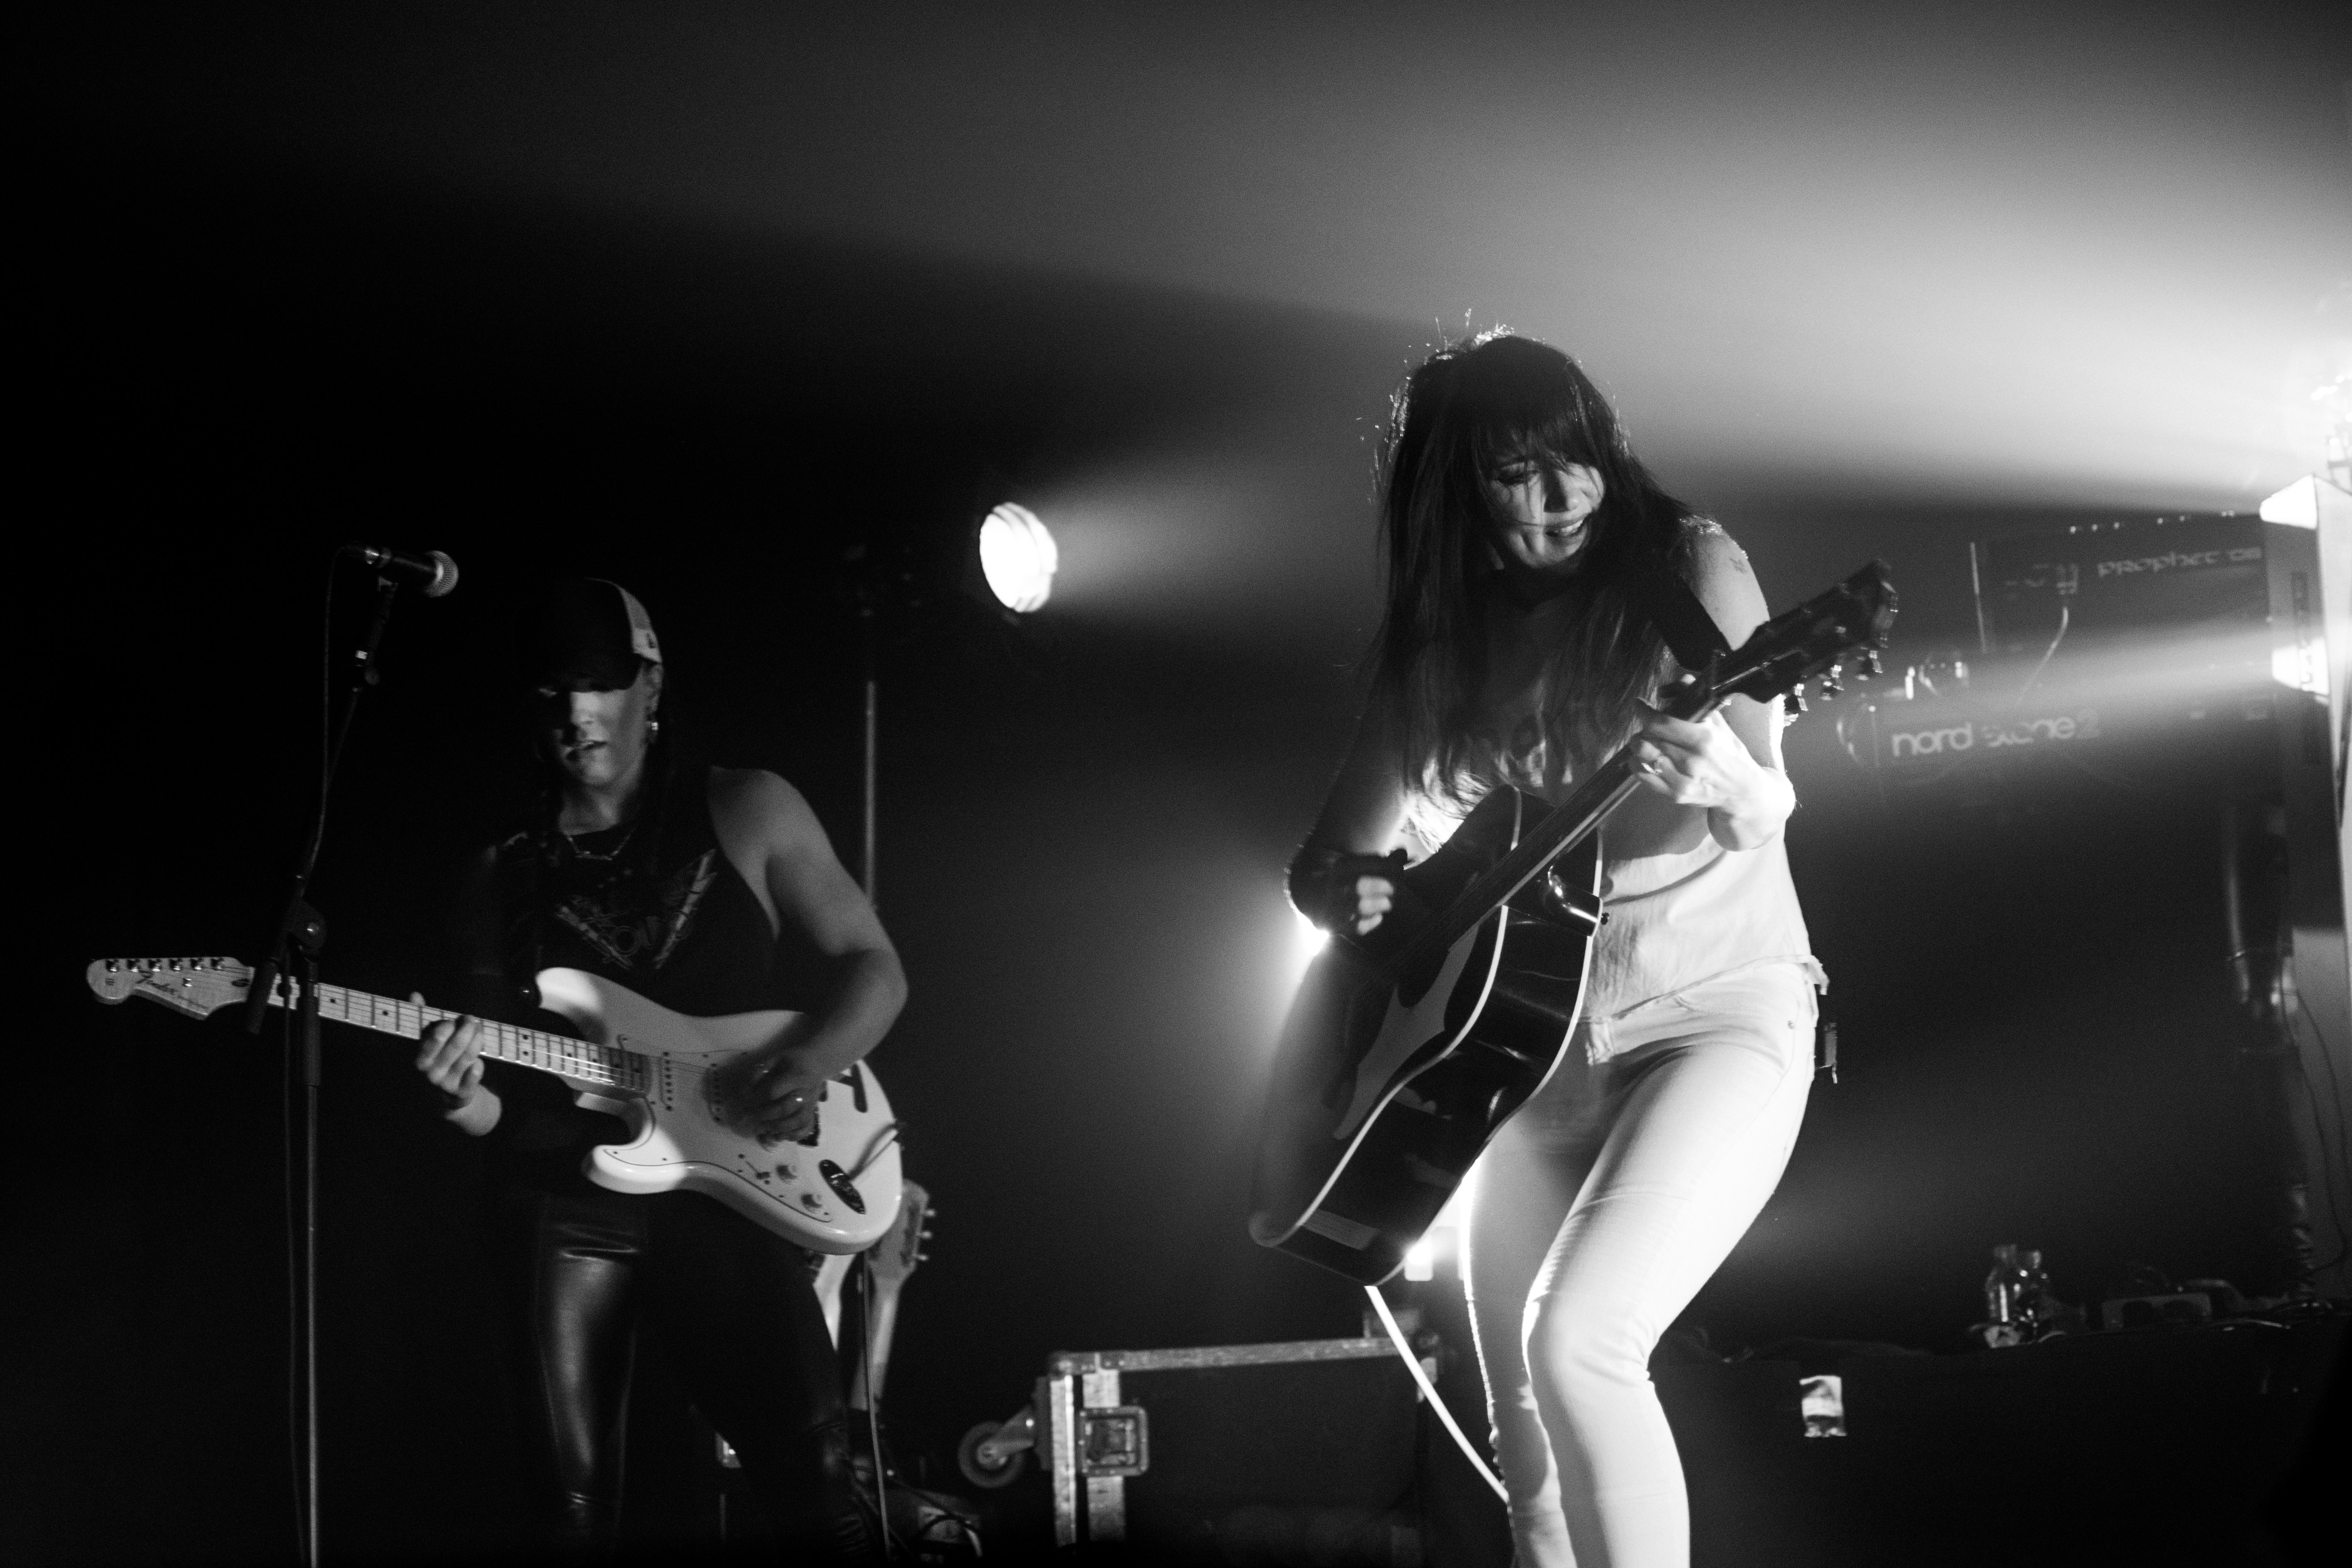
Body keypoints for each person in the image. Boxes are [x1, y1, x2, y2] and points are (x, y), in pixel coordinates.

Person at [1288, 334, 1823, 1568]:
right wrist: (1349, 895)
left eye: (1579, 456)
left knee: (1578, 1341)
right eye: (1517, 472)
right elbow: (1326, 860)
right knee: (1523, 1457)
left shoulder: (1685, 568)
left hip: (1713, 1015)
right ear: (1451, 494)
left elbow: (1768, 802)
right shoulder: (1439, 644)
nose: (1566, 492)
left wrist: (1732, 785)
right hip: (1513, 1067)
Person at [412, 577, 906, 1560]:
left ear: (651, 683)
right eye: (553, 691)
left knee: (818, 1484)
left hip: (729, 1190)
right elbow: (501, 1104)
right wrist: (459, 1101)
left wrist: (812, 1060)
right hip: (560, 1199)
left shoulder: (745, 806)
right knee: (568, 1516)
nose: (577, 712)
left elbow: (873, 966)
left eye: (599, 683)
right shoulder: (499, 868)